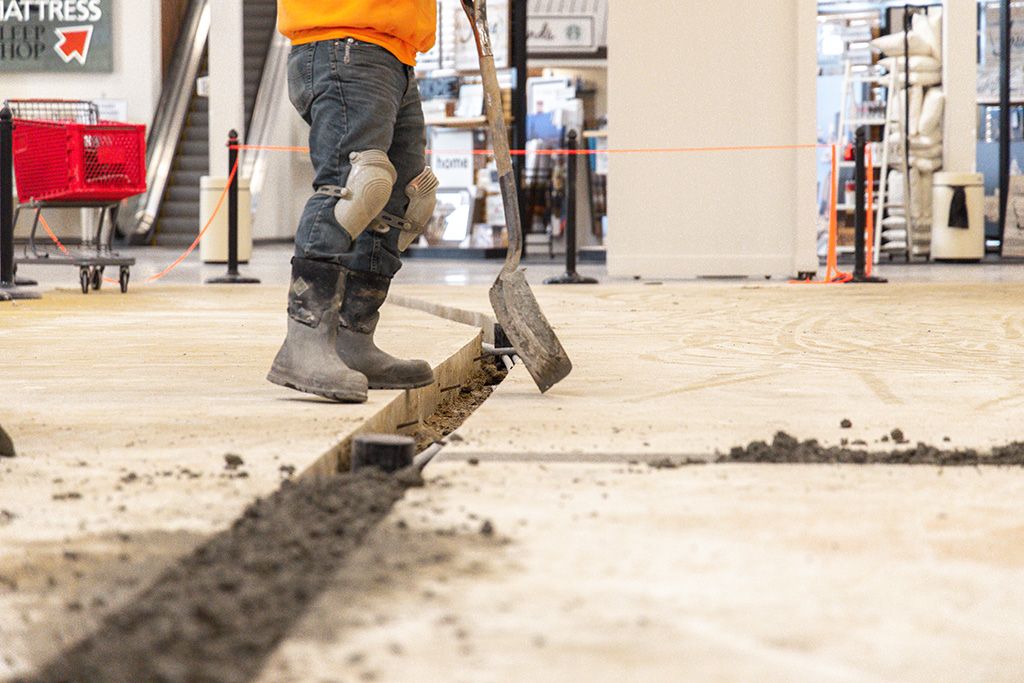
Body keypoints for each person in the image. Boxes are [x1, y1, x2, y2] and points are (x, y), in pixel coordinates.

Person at [267, 0, 440, 403]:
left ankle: (354, 338)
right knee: (352, 187)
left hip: (395, 50)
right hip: (344, 38)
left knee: (402, 203)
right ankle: (304, 340)